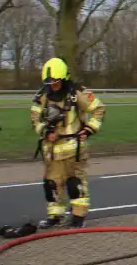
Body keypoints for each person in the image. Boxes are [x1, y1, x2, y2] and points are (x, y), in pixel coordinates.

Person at [30, 58, 105, 228]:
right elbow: (34, 118)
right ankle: (55, 215)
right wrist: (45, 131)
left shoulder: (77, 93)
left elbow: (98, 109)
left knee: (75, 183)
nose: (53, 86)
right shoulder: (42, 95)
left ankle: (78, 216)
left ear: (63, 79)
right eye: (49, 83)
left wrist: (89, 129)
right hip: (51, 150)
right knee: (52, 184)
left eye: (56, 82)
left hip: (73, 148)